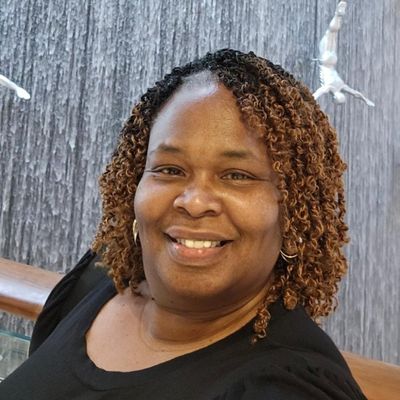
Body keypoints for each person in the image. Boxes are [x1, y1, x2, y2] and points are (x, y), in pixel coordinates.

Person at [0, 49, 367, 399]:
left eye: (237, 175)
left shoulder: (289, 387)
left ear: (294, 210)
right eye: (170, 170)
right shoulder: (98, 279)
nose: (193, 202)